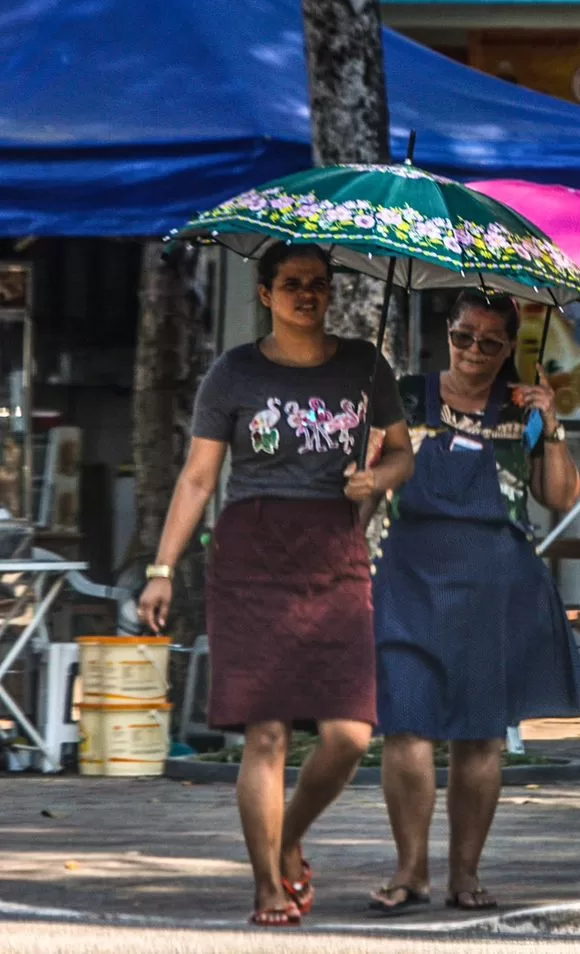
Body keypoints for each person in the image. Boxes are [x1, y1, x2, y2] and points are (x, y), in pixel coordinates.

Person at [138, 243, 414, 926]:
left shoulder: (365, 366)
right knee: (266, 734)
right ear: (264, 294)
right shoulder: (233, 374)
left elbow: (403, 452)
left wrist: (375, 479)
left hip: (335, 549)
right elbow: (199, 478)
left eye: (318, 284)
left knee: (349, 733)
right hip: (252, 553)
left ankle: (287, 837)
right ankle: (266, 883)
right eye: (291, 284)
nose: (307, 295)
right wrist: (162, 569)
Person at [369, 289, 580, 916]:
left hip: (495, 582)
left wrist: (551, 423)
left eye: (490, 343)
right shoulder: (403, 395)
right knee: (406, 722)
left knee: (479, 735)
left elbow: (559, 497)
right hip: (408, 573)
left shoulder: (519, 407)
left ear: (509, 349)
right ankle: (410, 871)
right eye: (464, 336)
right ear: (449, 331)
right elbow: (364, 483)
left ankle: (464, 876)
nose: (474, 352)